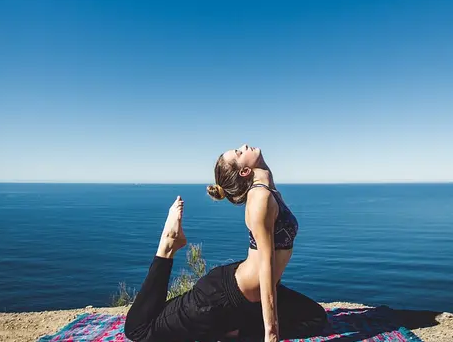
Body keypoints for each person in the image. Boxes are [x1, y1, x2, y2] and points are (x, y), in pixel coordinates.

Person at [125, 144, 328, 342]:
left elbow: (264, 174)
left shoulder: (268, 189)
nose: (245, 145)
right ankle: (168, 244)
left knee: (316, 318)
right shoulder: (260, 197)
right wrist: (271, 333)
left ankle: (235, 330)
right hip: (220, 298)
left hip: (249, 295)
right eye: (239, 153)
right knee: (139, 331)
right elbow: (266, 267)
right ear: (245, 171)